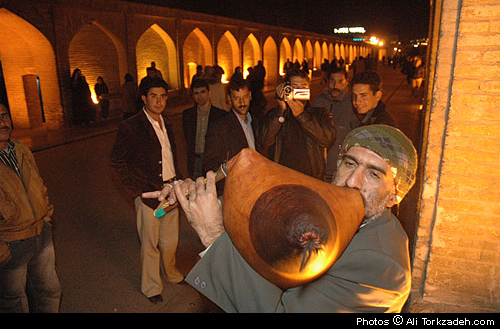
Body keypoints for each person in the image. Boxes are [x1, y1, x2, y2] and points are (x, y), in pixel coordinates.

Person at [143, 124, 417, 313]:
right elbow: (269, 226)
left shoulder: (381, 267)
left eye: (374, 174)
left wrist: (213, 235)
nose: (353, 182)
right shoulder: (335, 213)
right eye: (350, 163)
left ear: (395, 195)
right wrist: (201, 198)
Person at [110, 77, 183, 304]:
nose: (159, 101)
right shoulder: (131, 126)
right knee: (150, 244)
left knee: (170, 240)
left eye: (163, 96)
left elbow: (170, 156)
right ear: (144, 98)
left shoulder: (167, 122)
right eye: (154, 96)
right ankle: (152, 287)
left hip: (171, 191)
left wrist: (178, 181)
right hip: (150, 196)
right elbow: (117, 161)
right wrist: (136, 192)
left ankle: (171, 273)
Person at [0, 103, 62, 312]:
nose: (3, 122)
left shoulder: (21, 149)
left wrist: (47, 215)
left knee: (50, 291)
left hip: (40, 234)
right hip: (12, 243)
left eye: (5, 116)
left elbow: (38, 184)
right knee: (15, 302)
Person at [260, 68, 335, 181]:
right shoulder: (276, 114)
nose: (299, 90)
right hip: (282, 179)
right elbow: (264, 140)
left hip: (311, 179)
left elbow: (326, 139)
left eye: (303, 86)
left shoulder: (320, 113)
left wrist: (301, 115)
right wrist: (280, 111)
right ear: (287, 89)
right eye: (294, 87)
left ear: (309, 88)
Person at [202, 77, 260, 195]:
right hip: (234, 192)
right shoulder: (219, 127)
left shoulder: (255, 122)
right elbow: (209, 165)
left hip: (256, 187)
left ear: (250, 96)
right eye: (237, 98)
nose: (242, 103)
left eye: (245, 97)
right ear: (229, 99)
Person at [312, 66, 358, 183]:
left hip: (342, 169)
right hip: (319, 168)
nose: (335, 85)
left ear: (346, 82)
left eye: (340, 81)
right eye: (332, 81)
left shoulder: (353, 103)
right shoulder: (319, 102)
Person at [183, 78, 227, 179]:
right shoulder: (188, 115)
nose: (200, 96)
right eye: (196, 93)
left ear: (209, 93)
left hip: (213, 160)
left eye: (203, 92)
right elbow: (188, 138)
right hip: (195, 161)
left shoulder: (220, 115)